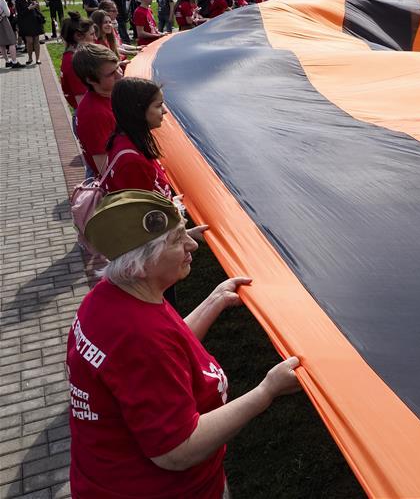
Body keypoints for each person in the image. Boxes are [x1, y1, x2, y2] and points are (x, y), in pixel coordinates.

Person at [68, 190, 301, 498]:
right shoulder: (139, 338)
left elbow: (170, 345)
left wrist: (213, 301)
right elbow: (176, 451)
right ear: (143, 262)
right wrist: (266, 391)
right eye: (178, 239)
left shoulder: (109, 297)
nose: (192, 244)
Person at [103, 78, 173, 196]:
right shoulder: (132, 162)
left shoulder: (126, 140)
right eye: (158, 105)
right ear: (138, 110)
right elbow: (145, 210)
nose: (165, 111)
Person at [73, 44, 123, 175]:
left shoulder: (109, 95)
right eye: (111, 73)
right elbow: (106, 169)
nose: (119, 75)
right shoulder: (94, 115)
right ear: (90, 80)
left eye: (118, 67)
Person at [60, 13, 98, 108]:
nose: (95, 38)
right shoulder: (74, 63)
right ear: (78, 36)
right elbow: (82, 102)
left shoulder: (75, 57)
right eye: (92, 34)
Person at [14, 0, 44, 65]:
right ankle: (30, 58)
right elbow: (20, 13)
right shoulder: (18, 1)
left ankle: (38, 59)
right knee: (29, 41)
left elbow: (34, 9)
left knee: (36, 40)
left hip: (34, 21)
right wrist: (29, 8)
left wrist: (35, 5)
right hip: (25, 23)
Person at [0, 0, 22, 68]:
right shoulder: (1, 0)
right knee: (11, 42)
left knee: (1, 43)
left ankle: (7, 61)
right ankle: (14, 61)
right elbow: (8, 13)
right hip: (3, 21)